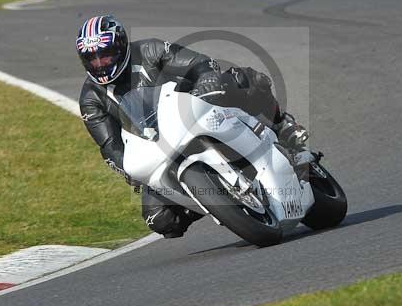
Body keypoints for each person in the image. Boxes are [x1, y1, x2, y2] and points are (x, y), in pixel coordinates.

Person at [77, 15, 308, 238]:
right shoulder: (90, 98)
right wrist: (126, 169)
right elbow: (110, 145)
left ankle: (281, 125)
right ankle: (214, 200)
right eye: (92, 59)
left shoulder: (149, 50)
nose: (100, 64)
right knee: (159, 218)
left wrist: (205, 77)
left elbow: (198, 62)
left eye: (105, 55)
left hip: (196, 107)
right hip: (157, 143)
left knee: (242, 79)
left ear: (121, 46)